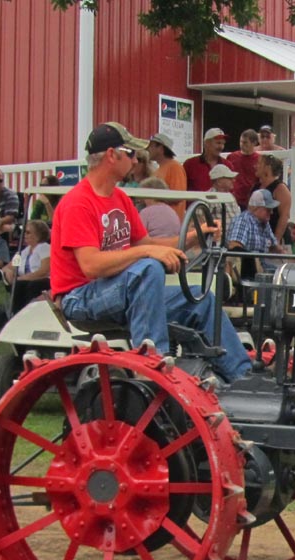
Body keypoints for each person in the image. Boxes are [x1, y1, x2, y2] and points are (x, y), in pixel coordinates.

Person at [49, 122, 251, 383]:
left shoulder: (120, 199)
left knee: (203, 300)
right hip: (81, 297)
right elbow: (91, 266)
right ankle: (154, 365)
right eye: (131, 153)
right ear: (112, 155)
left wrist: (195, 236)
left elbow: (148, 244)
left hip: (120, 290)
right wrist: (146, 252)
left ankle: (243, 379)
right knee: (148, 268)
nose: (136, 160)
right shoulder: (78, 202)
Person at [226, 189, 286, 275]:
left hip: (264, 267)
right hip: (248, 271)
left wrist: (281, 251)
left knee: (286, 274)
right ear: (256, 208)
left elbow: (274, 246)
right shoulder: (243, 220)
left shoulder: (265, 223)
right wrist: (253, 260)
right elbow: (234, 246)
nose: (272, 212)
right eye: (268, 209)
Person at [2, 219, 51, 315]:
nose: (24, 235)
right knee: (19, 285)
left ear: (38, 235)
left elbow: (44, 271)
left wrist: (21, 278)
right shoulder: (23, 251)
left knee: (27, 285)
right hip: (24, 281)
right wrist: (9, 272)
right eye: (24, 232)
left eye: (28, 232)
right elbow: (8, 267)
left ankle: (28, 313)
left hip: (43, 280)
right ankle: (16, 314)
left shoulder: (45, 248)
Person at [253, 154, 293, 250]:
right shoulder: (255, 187)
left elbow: (284, 216)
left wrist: (276, 240)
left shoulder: (280, 188)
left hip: (276, 240)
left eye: (259, 163)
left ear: (267, 167)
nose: (255, 166)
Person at [148, 132, 187, 219]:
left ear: (161, 148)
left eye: (151, 146)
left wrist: (153, 199)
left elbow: (179, 196)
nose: (148, 149)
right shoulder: (157, 170)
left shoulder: (175, 167)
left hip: (171, 223)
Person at [184, 127, 230, 191]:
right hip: (196, 201)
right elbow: (181, 189)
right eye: (218, 143)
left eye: (223, 144)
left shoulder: (228, 165)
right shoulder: (190, 164)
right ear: (206, 143)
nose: (221, 147)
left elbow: (233, 191)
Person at [226, 129, 260, 210]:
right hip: (234, 199)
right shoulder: (232, 157)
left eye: (245, 142)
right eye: (241, 142)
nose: (242, 145)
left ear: (254, 143)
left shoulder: (259, 159)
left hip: (251, 200)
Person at [209, 164, 242, 229]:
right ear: (219, 181)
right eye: (229, 178)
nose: (233, 180)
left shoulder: (231, 196)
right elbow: (201, 223)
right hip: (219, 238)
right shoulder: (209, 198)